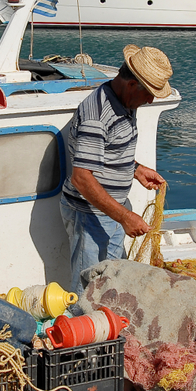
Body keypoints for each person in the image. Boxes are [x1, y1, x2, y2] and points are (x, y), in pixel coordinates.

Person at [60, 44, 173, 299]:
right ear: (132, 84)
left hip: (110, 213)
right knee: (88, 288)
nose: (151, 100)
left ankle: (108, 325)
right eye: (149, 93)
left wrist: (136, 169)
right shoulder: (98, 115)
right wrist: (124, 217)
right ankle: (84, 333)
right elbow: (82, 177)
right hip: (89, 214)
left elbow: (108, 152)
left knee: (113, 280)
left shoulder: (126, 103)